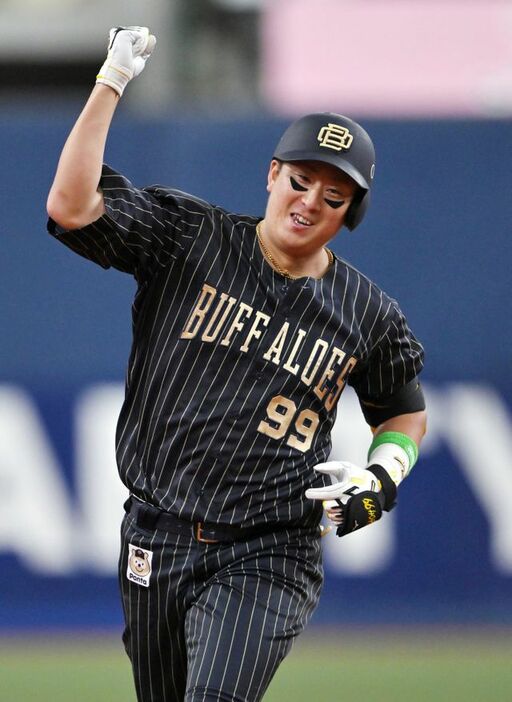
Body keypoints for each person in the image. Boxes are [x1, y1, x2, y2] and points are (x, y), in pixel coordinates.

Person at [46, 26, 427, 702]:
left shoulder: (367, 313)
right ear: (272, 173)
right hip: (155, 535)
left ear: (350, 213)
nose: (310, 202)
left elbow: (402, 410)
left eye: (333, 197)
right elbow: (71, 208)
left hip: (269, 547)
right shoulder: (189, 237)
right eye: (301, 180)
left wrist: (384, 473)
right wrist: (111, 81)